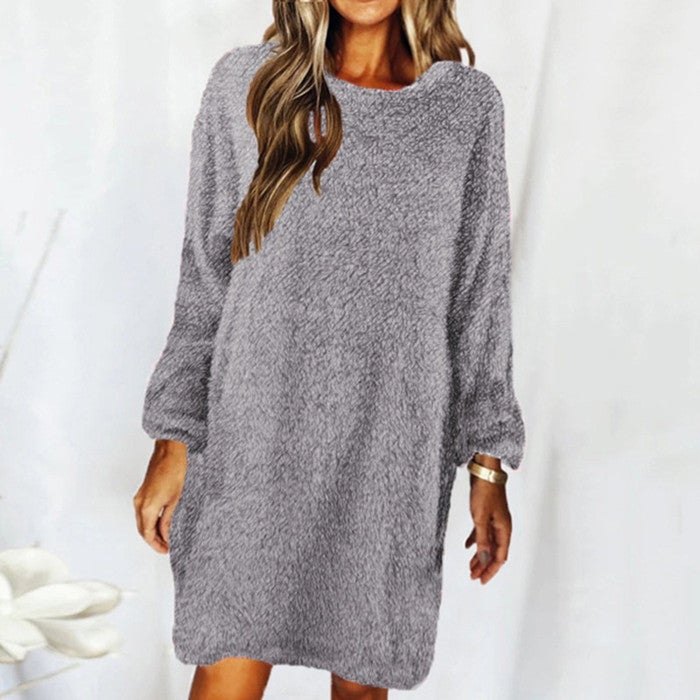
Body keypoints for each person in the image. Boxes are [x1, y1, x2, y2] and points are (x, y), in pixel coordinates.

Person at [133, 1, 526, 698]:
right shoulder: (247, 85)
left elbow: (479, 297)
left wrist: (487, 468)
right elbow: (205, 280)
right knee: (226, 663)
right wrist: (174, 438)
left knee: (364, 677)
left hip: (388, 454)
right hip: (254, 444)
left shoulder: (463, 109)